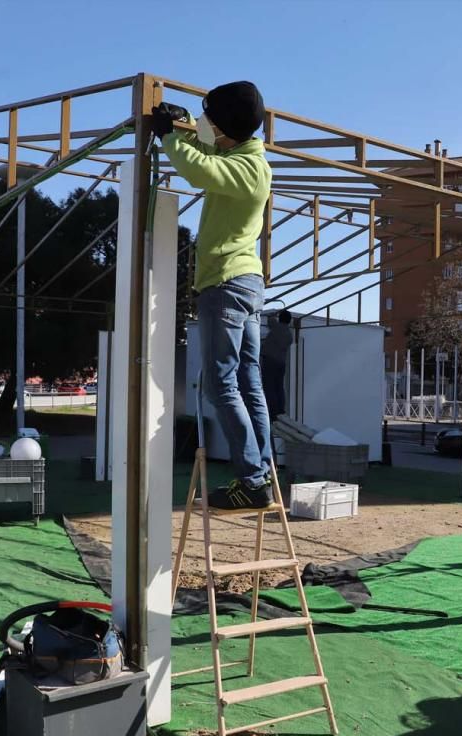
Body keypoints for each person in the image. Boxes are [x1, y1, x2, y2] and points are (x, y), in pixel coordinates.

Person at [154, 81, 273, 510]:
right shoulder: (242, 154)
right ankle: (260, 473)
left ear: (226, 127)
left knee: (221, 384)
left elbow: (199, 169)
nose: (205, 125)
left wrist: (168, 135)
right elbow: (207, 149)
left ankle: (252, 479)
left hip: (225, 283)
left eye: (210, 118)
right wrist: (183, 123)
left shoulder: (247, 170)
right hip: (246, 285)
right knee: (248, 382)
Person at [261, 309, 294, 423]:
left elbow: (270, 320)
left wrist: (273, 315)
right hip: (281, 363)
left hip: (270, 362)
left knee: (269, 387)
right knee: (278, 387)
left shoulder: (277, 327)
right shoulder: (289, 334)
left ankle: (272, 412)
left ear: (280, 319)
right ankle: (280, 411)